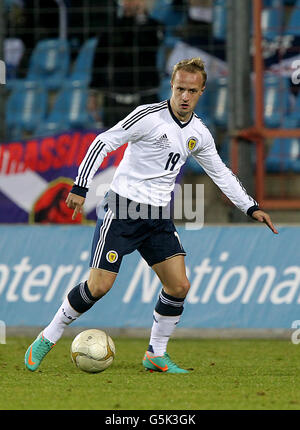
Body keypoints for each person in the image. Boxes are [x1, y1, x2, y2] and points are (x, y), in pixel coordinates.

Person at [24, 57, 278, 374]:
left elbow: (221, 173)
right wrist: (81, 186)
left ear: (202, 91)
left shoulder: (198, 132)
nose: (185, 96)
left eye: (192, 91)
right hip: (123, 210)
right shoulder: (148, 117)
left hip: (157, 217)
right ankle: (48, 336)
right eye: (180, 88)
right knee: (99, 286)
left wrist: (250, 206)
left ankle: (156, 354)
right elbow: (103, 142)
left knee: (179, 286)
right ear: (171, 87)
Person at [90, 0, 163, 128]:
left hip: (145, 98)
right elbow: (99, 62)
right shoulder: (111, 28)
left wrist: (141, 16)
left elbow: (150, 45)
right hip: (114, 99)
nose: (130, 2)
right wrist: (93, 95)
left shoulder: (154, 27)